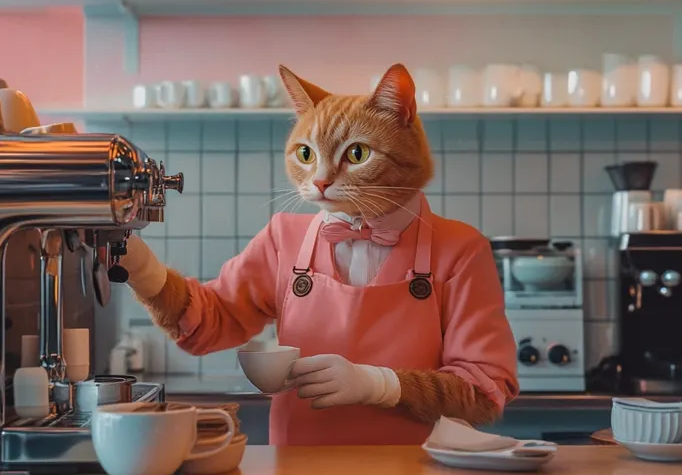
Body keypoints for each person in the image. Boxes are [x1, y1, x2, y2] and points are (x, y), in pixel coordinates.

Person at [122, 63, 518, 444]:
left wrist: (381, 385)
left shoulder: (461, 250)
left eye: (356, 154)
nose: (322, 180)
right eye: (307, 155)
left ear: (403, 121)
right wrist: (143, 270)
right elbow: (209, 322)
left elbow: (484, 391)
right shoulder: (283, 237)